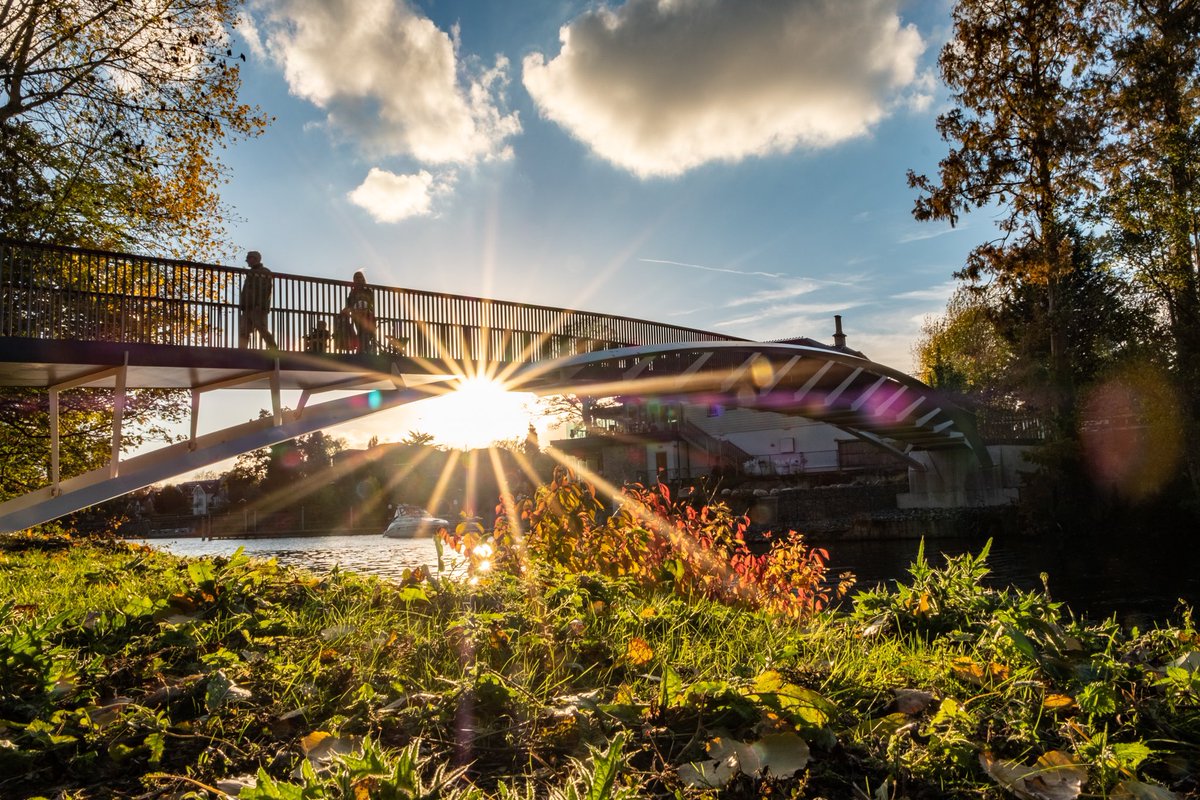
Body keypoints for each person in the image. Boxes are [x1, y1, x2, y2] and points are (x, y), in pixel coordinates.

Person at [238, 250, 278, 349]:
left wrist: (259, 305)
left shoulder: (264, 272)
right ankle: (241, 351)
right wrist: (243, 305)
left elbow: (265, 291)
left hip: (258, 307)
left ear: (255, 259)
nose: (247, 260)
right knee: (244, 331)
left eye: (248, 258)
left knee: (262, 329)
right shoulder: (251, 272)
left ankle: (274, 349)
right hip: (248, 307)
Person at [341, 270, 375, 354]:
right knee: (361, 331)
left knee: (365, 331)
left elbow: (371, 303)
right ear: (354, 280)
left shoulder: (368, 290)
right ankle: (364, 349)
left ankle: (363, 350)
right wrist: (346, 310)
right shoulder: (352, 292)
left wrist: (367, 310)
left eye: (360, 277)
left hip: (367, 315)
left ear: (363, 279)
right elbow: (349, 304)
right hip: (357, 315)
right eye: (356, 277)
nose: (358, 279)